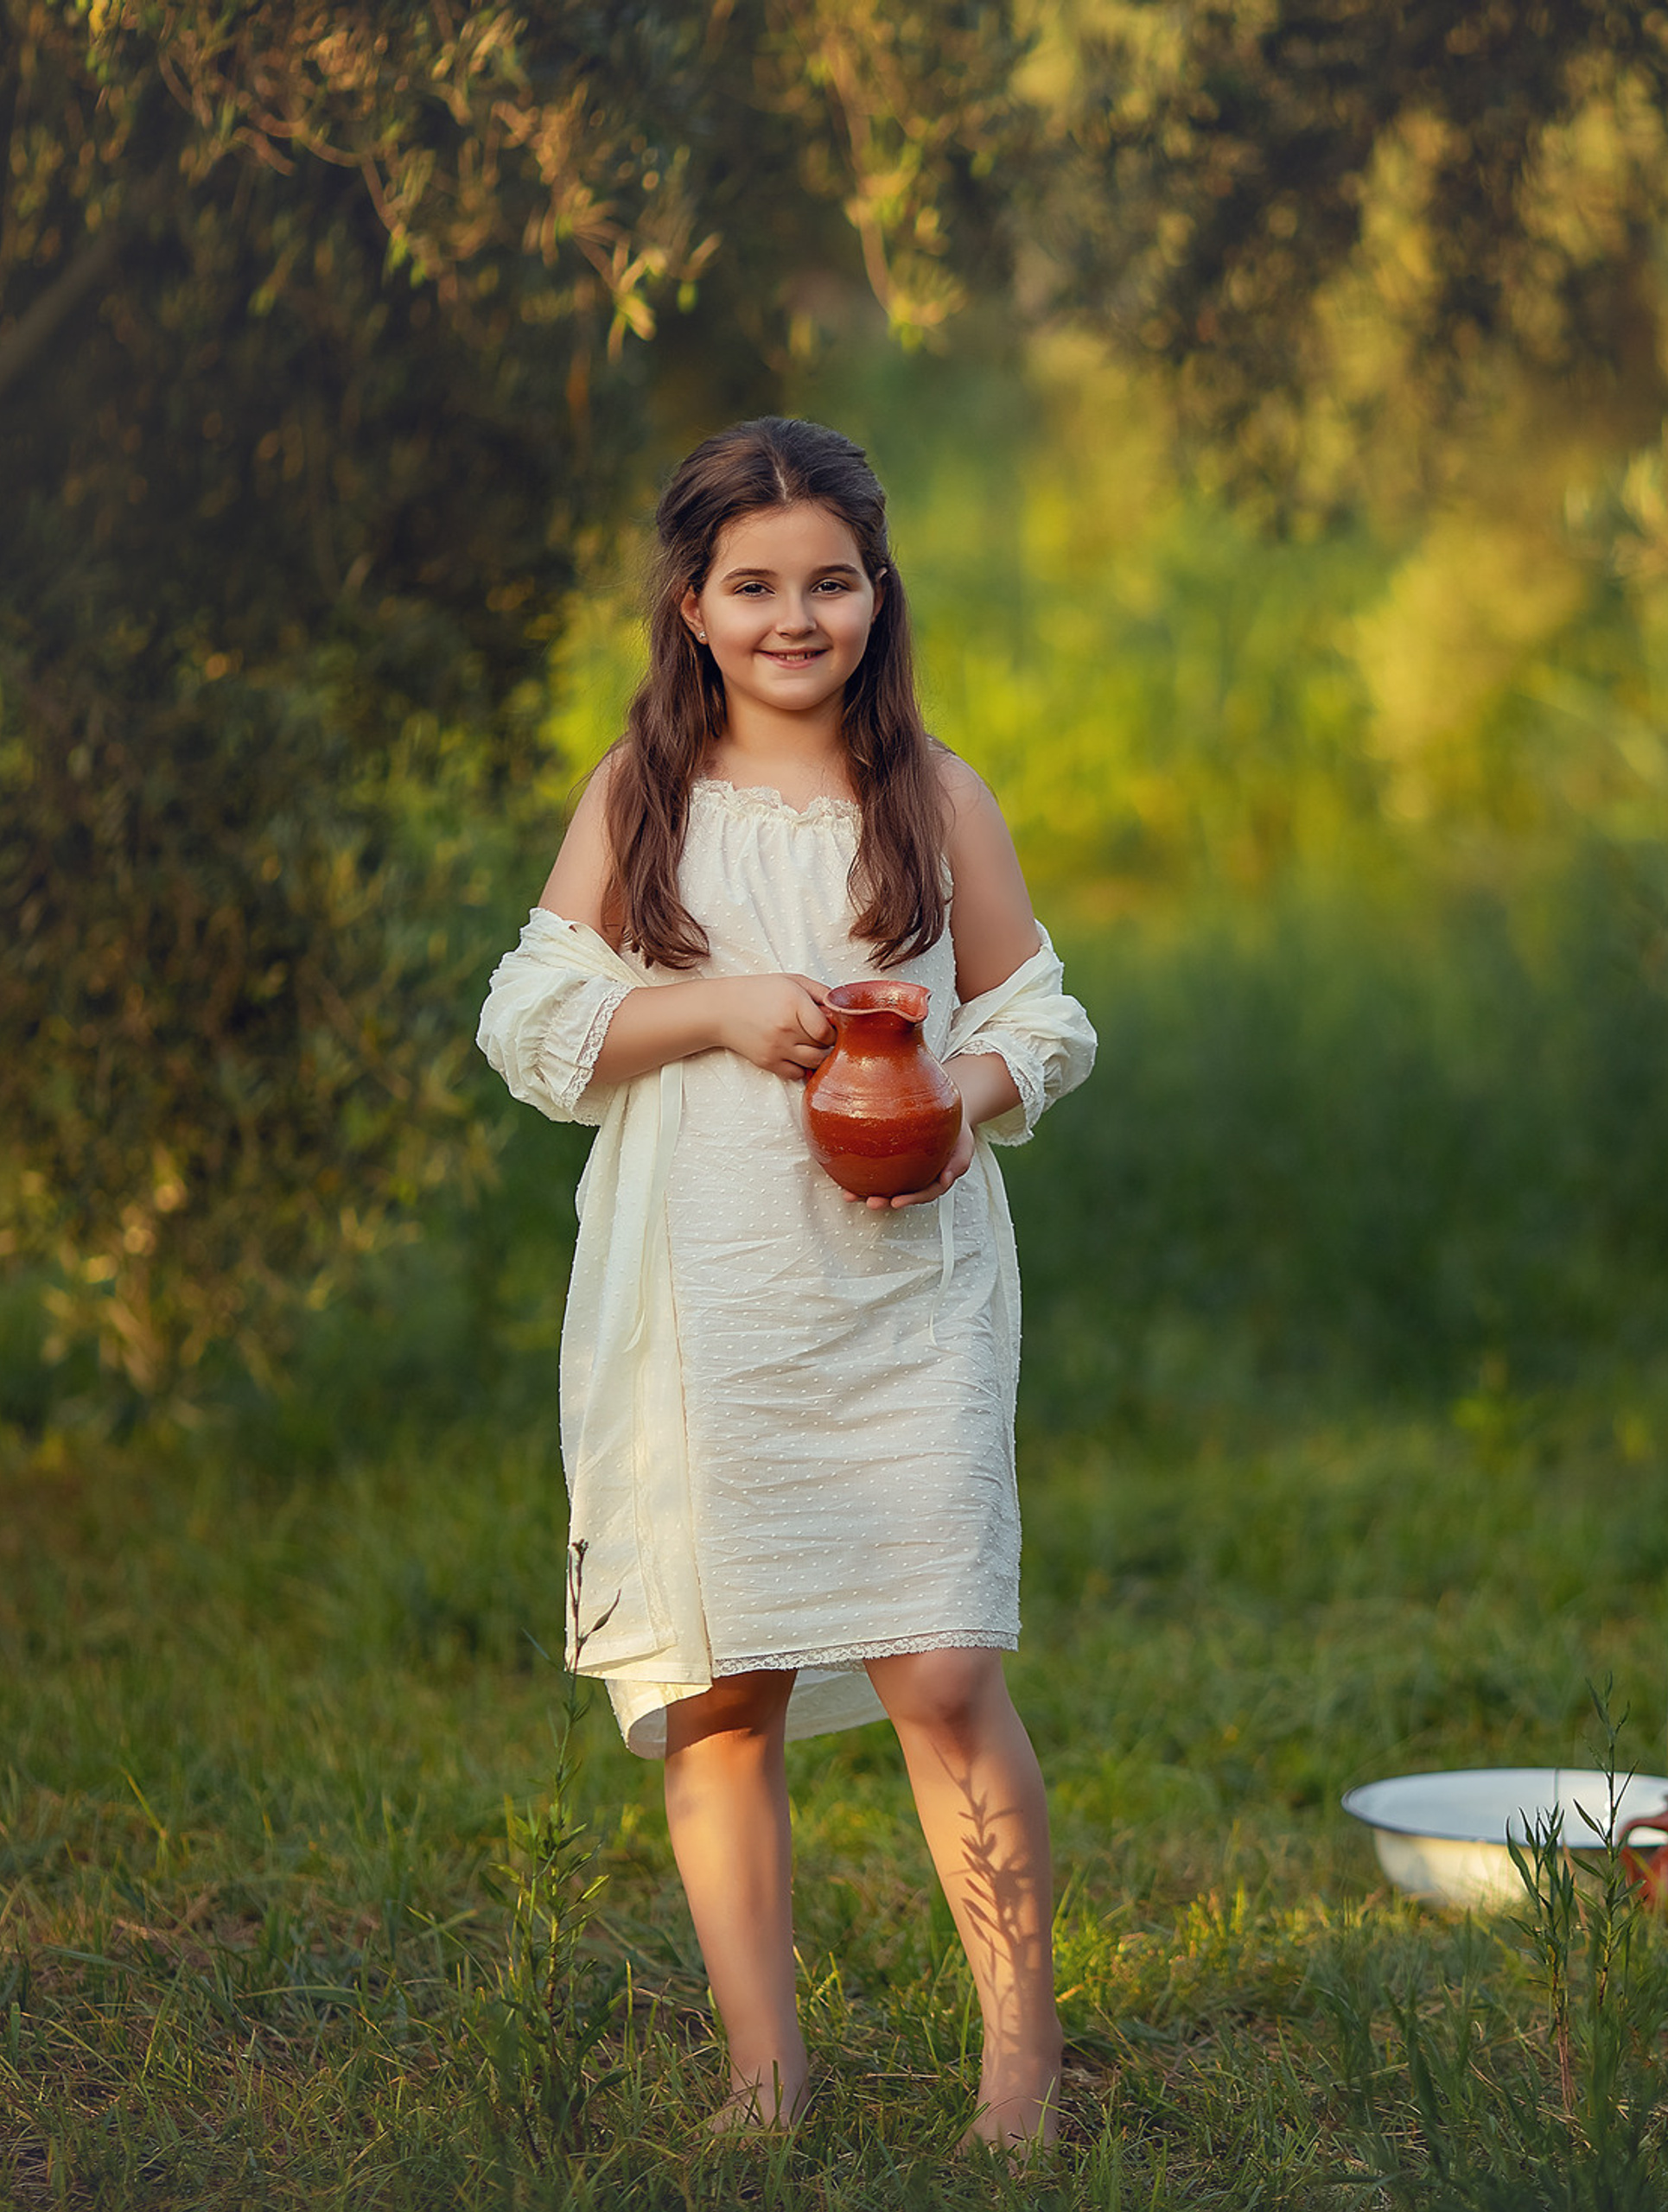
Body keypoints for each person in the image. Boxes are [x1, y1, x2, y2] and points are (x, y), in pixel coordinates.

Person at [476, 417, 1095, 2150]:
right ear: (690, 604)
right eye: (754, 586)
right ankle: (766, 2079)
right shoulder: (641, 796)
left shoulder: (931, 794)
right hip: (708, 1307)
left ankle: (1017, 2081)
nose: (793, 616)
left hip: (903, 1295)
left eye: (828, 581)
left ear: (875, 596)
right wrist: (715, 1009)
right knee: (720, 1691)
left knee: (947, 1668)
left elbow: (1043, 1013)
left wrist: (958, 1094)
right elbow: (530, 1021)